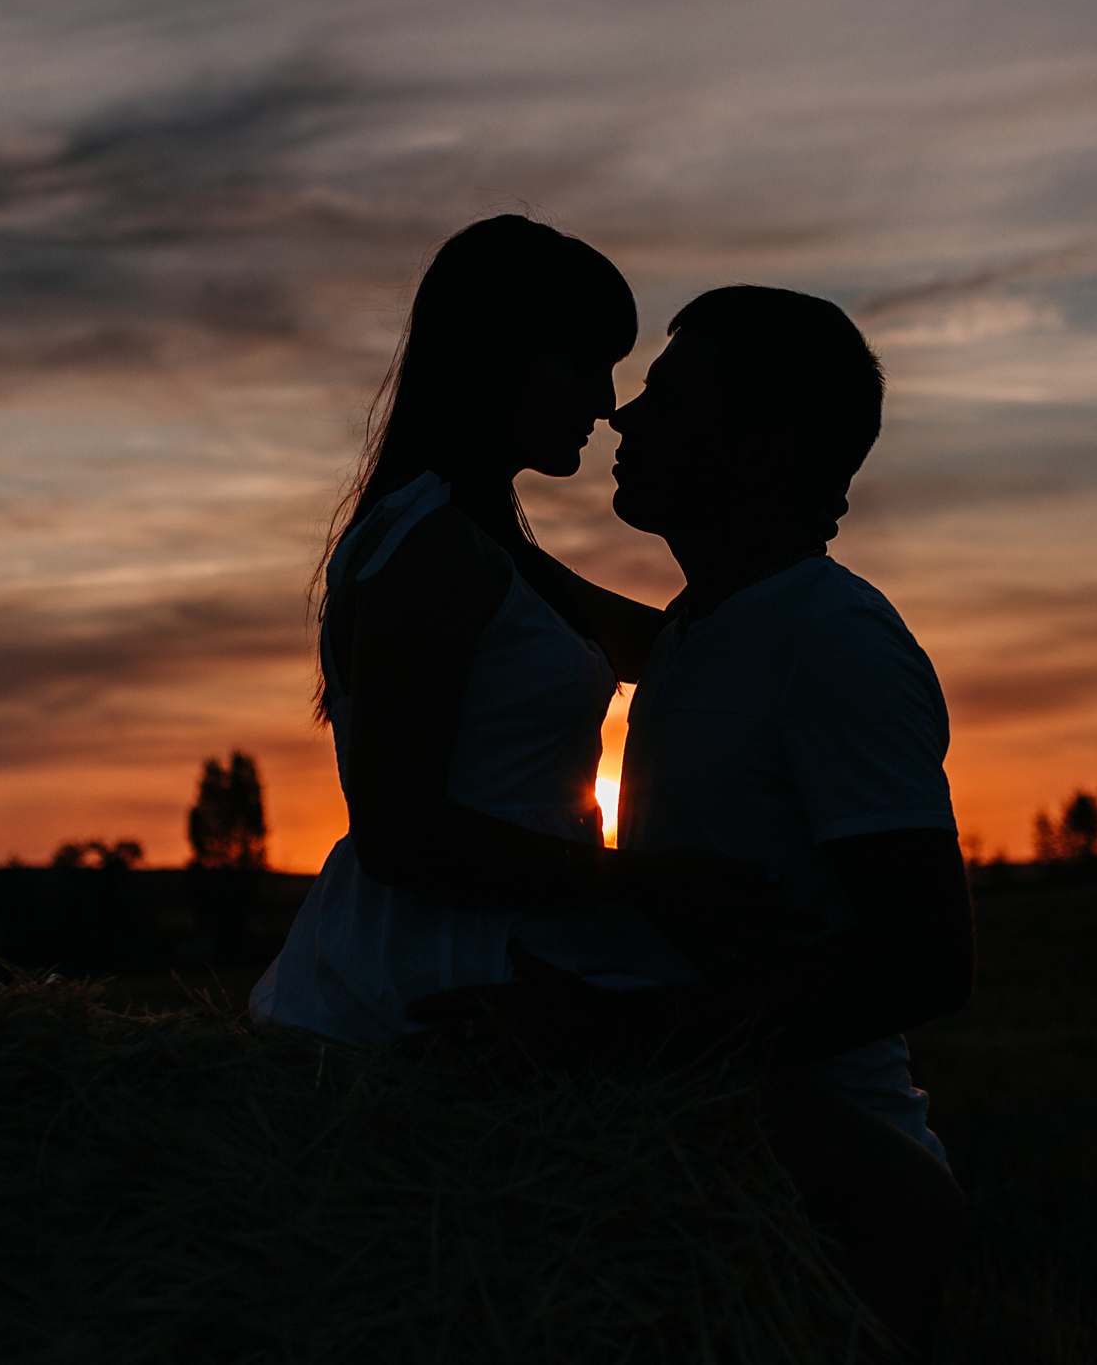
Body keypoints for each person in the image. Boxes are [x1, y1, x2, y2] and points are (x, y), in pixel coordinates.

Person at [422, 285, 975, 1361]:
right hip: (711, 1177)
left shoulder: (835, 642)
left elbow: (923, 962)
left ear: (764, 447)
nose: (624, 419)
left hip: (819, 1209)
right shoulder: (698, 623)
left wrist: (603, 1037)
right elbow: (513, 574)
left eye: (669, 400)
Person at [250, 218, 778, 1047]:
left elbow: (680, 639)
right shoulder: (429, 549)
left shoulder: (490, 550)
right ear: (497, 357)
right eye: (585, 365)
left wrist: (747, 516)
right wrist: (642, 882)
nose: (605, 403)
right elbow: (399, 836)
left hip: (485, 961)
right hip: (432, 984)